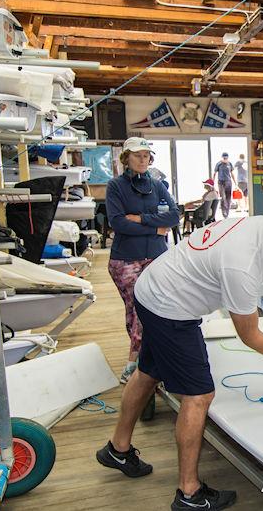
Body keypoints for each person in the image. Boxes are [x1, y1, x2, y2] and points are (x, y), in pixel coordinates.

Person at [96, 201, 263, 511]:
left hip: (154, 289)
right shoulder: (242, 264)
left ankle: (117, 449)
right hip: (170, 307)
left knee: (149, 371)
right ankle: (189, 493)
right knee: (199, 394)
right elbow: (250, 336)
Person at [106, 137, 179, 384]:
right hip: (126, 259)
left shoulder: (157, 185)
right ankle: (135, 360)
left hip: (156, 256)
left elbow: (174, 216)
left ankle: (150, 357)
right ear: (126, 158)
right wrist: (154, 228)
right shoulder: (115, 186)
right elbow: (117, 222)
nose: (143, 159)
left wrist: (140, 219)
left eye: (146, 155)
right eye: (137, 155)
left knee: (156, 307)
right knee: (137, 308)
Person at [213, 152, 237, 219]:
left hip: (228, 182)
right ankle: (224, 212)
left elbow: (232, 173)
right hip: (221, 182)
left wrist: (235, 183)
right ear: (222, 157)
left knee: (228, 198)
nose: (225, 158)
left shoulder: (229, 164)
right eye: (224, 157)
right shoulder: (219, 164)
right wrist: (212, 183)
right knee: (223, 197)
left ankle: (227, 213)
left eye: (226, 157)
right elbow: (214, 173)